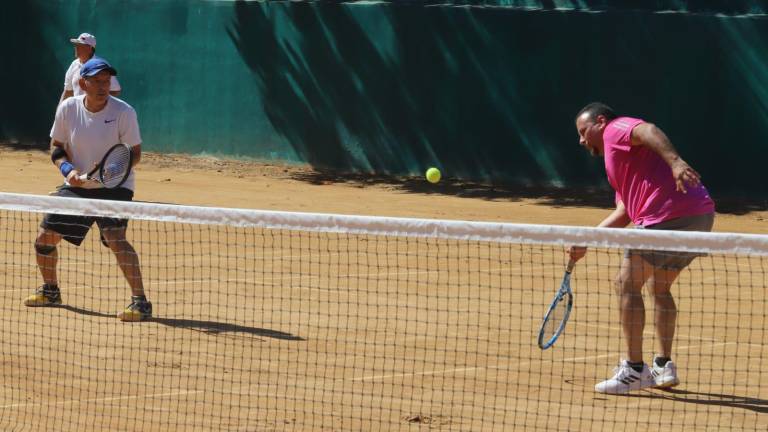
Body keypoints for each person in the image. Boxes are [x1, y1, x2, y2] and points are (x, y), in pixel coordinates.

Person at [571, 102, 715, 394]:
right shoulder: (624, 166)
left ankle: (635, 370)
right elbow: (625, 212)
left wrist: (675, 161)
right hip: (699, 215)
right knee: (659, 288)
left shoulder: (615, 129)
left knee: (626, 285)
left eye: (584, 132)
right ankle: (663, 365)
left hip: (665, 216)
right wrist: (587, 237)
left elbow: (646, 129)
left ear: (600, 121)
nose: (581, 141)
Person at [26, 57, 152, 322]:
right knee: (44, 240)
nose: (103, 86)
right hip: (78, 185)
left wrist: (111, 173)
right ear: (83, 83)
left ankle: (140, 302)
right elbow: (57, 148)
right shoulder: (68, 109)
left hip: (116, 185)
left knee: (115, 237)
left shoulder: (124, 112)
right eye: (96, 81)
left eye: (106, 81)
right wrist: (68, 171)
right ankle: (51, 291)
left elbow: (135, 154)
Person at [59, 33, 121, 104]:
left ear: (90, 49)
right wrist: (59, 112)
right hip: (77, 113)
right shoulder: (73, 65)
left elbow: (115, 91)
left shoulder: (102, 65)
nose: (76, 47)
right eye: (76, 45)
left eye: (80, 45)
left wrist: (98, 103)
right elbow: (68, 91)